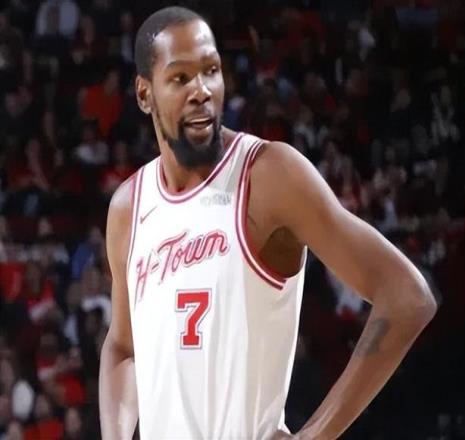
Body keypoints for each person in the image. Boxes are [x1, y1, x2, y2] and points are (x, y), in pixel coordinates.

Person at [98, 6, 437, 440]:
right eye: (180, 78)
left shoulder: (268, 175)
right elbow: (123, 347)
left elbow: (406, 296)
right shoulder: (129, 207)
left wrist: (314, 435)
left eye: (211, 71)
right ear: (145, 94)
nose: (201, 90)